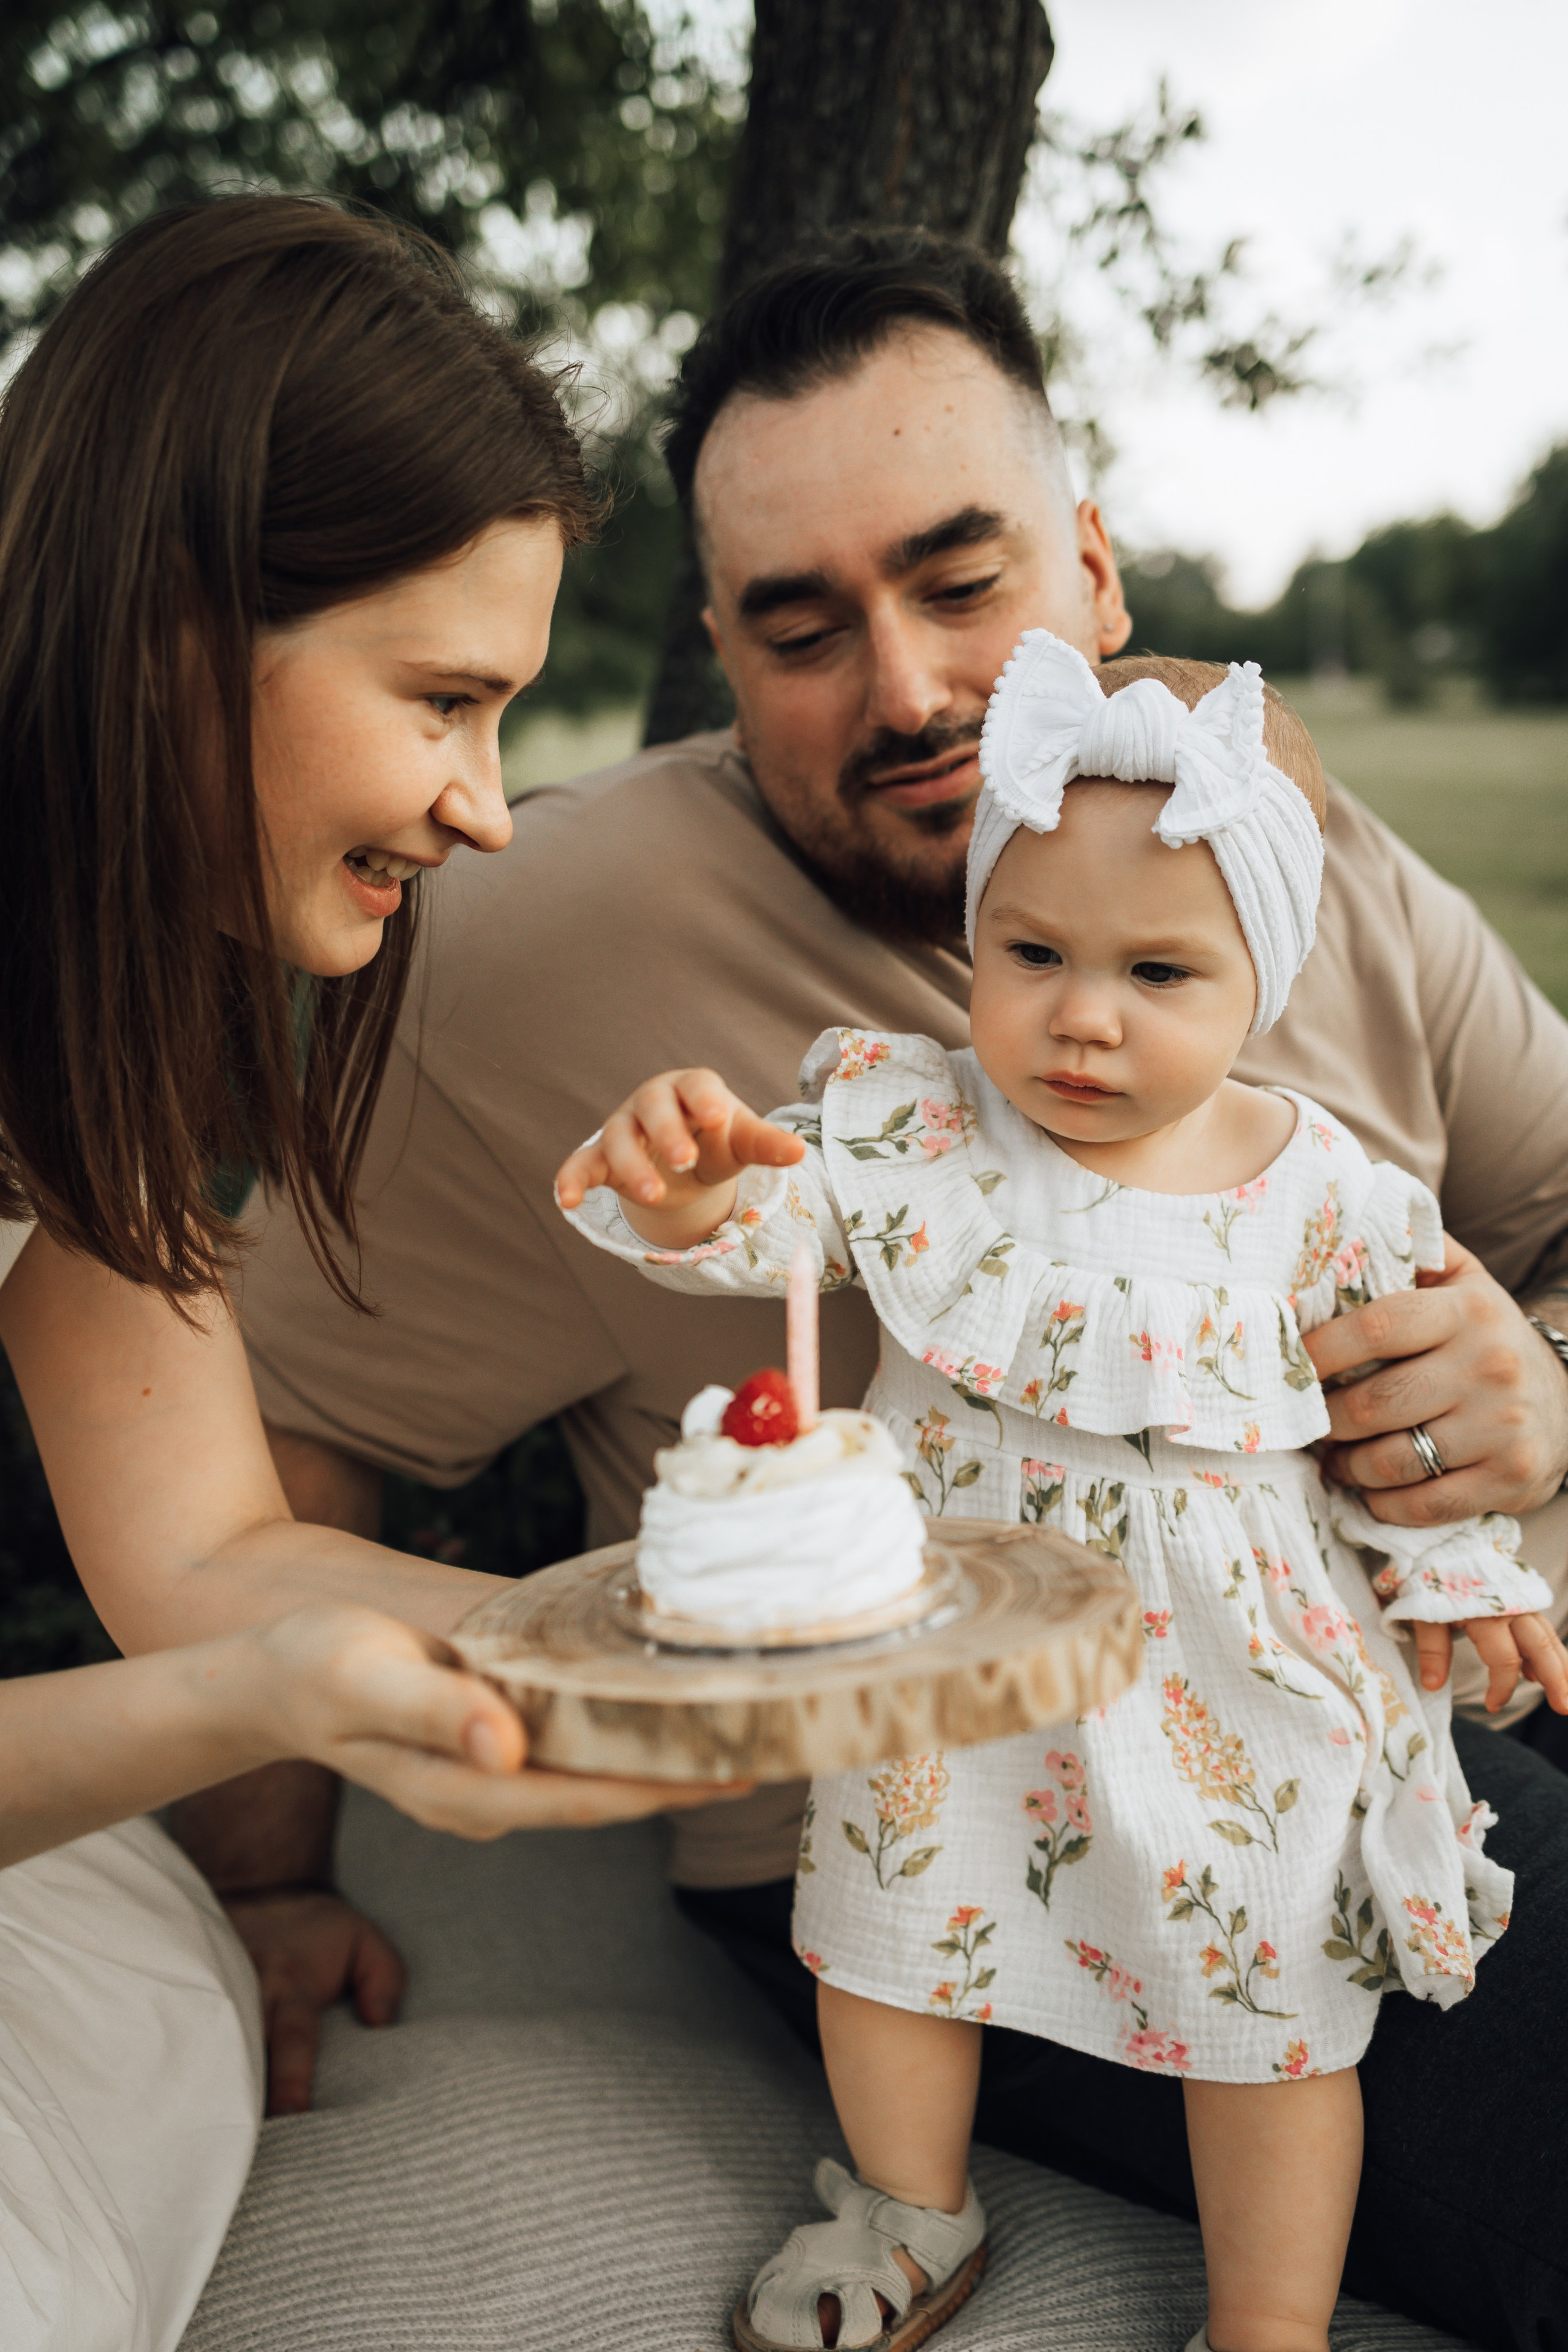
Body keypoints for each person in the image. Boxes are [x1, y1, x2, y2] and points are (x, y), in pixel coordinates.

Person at [230, 230, 1568, 2346]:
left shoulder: (1292, 847)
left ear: (1093, 571)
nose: (913, 690)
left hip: (1367, 1671)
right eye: (801, 627)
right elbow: (283, 1414)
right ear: (715, 655)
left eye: (963, 581)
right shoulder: (547, 942)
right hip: (957, 1770)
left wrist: (1545, 1384)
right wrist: (263, 1879)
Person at [557, 639, 1568, 2352]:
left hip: (1228, 1692)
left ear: (1264, 977)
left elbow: (1404, 1424)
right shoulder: (923, 1135)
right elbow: (767, 1229)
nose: (1083, 1015)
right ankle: (908, 2206)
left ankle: (1268, 2322)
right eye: (1032, 954)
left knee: (1270, 2013)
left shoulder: (1326, 1198)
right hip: (951, 1661)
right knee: (890, 1937)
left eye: (1158, 971)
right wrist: (685, 1189)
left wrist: (1469, 1574)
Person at [0, 194, 734, 2352]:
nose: (488, 809)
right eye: (444, 700)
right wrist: (266, 1706)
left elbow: (209, 1552)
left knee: (154, 2018)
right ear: (172, 630)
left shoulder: (71, 1031)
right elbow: (237, 1650)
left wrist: (673, 1650)